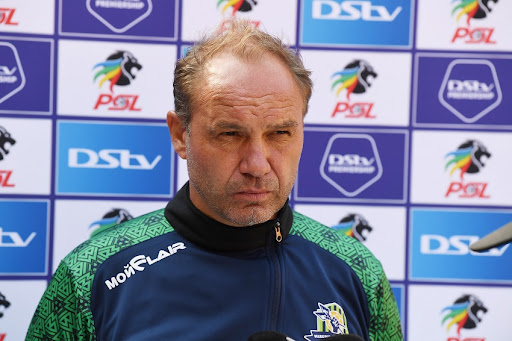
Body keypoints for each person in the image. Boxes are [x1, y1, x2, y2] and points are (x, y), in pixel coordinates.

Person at [26, 20, 402, 341]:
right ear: (179, 135)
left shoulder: (357, 270)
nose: (257, 164)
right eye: (229, 134)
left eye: (280, 134)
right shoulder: (91, 274)